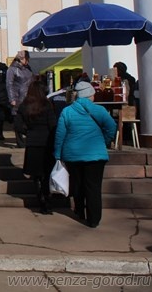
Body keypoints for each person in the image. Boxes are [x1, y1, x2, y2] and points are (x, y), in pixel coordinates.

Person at [54, 81, 116, 228]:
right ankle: (94, 219)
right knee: (93, 187)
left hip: (72, 154)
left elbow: (60, 134)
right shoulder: (99, 110)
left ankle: (79, 210)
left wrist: (57, 153)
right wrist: (104, 141)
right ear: (89, 95)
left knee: (77, 184)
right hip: (96, 154)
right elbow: (111, 127)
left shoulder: (67, 111)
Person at [14, 81, 56, 214]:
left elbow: (17, 125)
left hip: (32, 142)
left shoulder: (24, 105)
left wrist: (28, 132)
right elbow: (53, 125)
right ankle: (47, 199)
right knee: (47, 173)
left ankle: (41, 199)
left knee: (36, 174)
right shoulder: (47, 105)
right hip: (47, 142)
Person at [6, 50, 35, 147]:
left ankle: (29, 139)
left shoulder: (28, 69)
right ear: (22, 59)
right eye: (27, 58)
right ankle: (20, 142)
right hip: (17, 99)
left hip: (28, 98)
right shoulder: (12, 69)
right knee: (18, 121)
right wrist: (12, 99)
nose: (28, 61)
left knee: (28, 120)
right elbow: (9, 84)